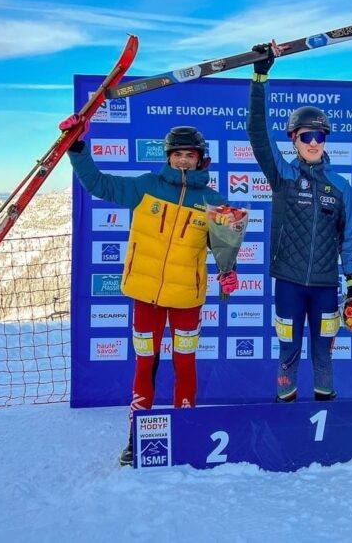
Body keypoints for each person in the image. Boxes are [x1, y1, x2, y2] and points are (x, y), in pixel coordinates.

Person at [61, 116, 238, 465]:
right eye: (178, 155)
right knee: (146, 366)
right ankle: (137, 436)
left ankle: (184, 432)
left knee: (185, 366)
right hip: (147, 298)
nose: (183, 161)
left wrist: (228, 270)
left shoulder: (214, 201)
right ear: (168, 157)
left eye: (190, 155)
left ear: (201, 159)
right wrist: (78, 147)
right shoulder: (145, 187)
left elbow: (224, 247)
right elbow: (99, 185)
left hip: (187, 298)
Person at [247, 44, 352, 402]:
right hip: (289, 284)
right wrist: (260, 79)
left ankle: (325, 416)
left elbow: (349, 239)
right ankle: (287, 414)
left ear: (325, 140)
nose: (313, 142)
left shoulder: (342, 187)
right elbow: (257, 134)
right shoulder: (282, 175)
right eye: (305, 136)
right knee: (288, 352)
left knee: (324, 355)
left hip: (326, 286)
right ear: (294, 139)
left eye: (319, 136)